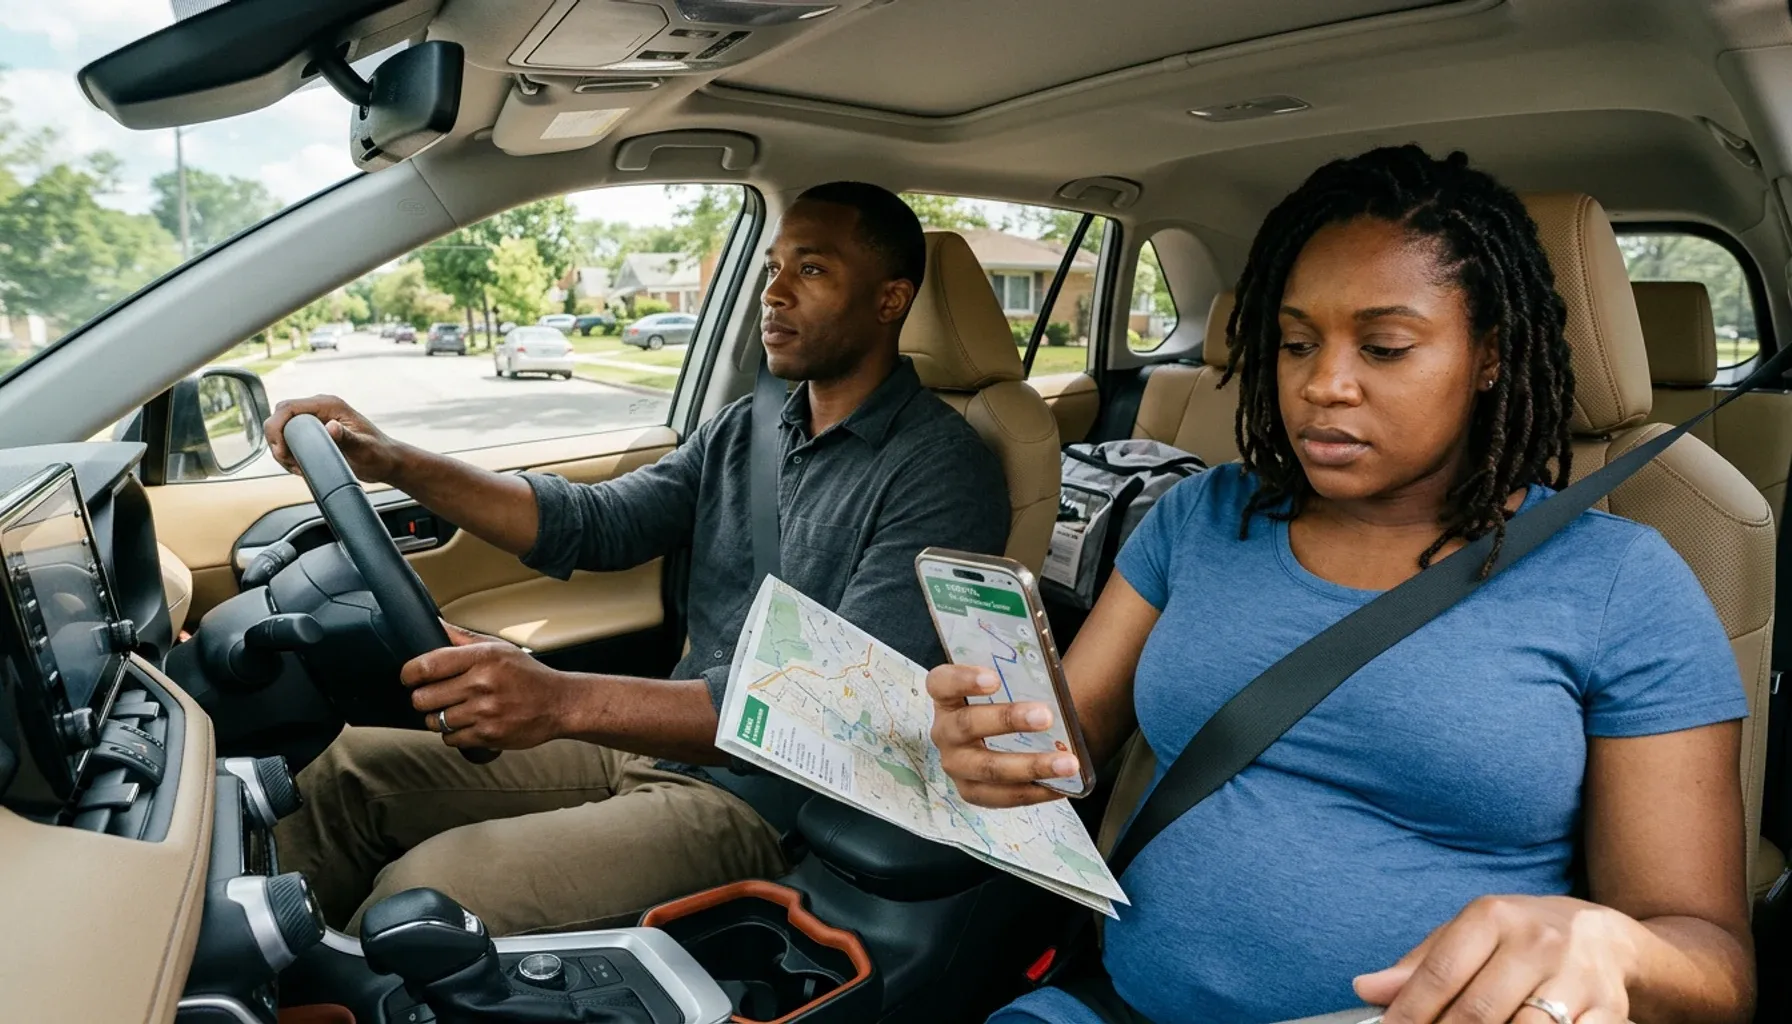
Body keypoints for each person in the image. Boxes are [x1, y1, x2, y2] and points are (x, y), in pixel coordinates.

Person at [934, 147, 1753, 1024]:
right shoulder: (1204, 516)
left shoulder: (1617, 581)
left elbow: (1716, 968)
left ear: (1490, 357)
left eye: (1385, 346)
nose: (1322, 385)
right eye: (1294, 343)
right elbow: (1068, 744)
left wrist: (1617, 949)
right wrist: (993, 745)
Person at [267, 181, 1010, 936]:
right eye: (772, 268)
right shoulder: (743, 432)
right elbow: (598, 522)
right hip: (656, 750)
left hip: (765, 801)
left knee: (428, 892)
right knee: (338, 772)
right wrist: (391, 459)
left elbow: (834, 711)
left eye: (810, 270)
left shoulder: (943, 472)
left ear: (890, 302)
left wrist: (561, 702)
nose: (774, 293)